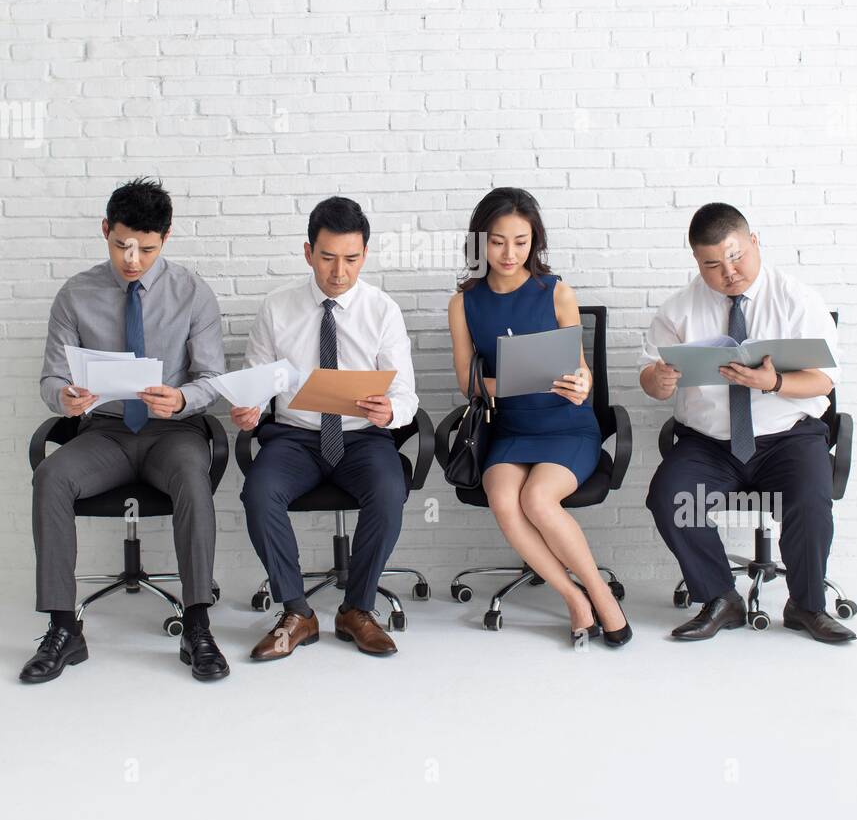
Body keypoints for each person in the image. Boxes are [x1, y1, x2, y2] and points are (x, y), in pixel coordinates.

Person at [21, 177, 230, 684]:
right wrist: (64, 397)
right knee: (51, 476)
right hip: (105, 434)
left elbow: (214, 381)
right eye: (121, 245)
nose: (132, 259)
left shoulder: (192, 293)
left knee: (192, 479)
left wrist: (183, 398)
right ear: (105, 231)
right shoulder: (76, 295)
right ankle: (63, 628)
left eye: (147, 248)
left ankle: (197, 625)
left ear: (166, 238)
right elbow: (51, 378)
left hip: (173, 432)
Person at [641, 202, 854, 645]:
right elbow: (650, 379)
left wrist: (773, 381)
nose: (728, 273)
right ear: (697, 262)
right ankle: (721, 597)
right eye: (712, 265)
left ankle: (806, 606)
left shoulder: (797, 300)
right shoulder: (680, 308)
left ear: (755, 242)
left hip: (788, 438)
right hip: (709, 443)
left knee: (810, 499)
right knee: (670, 496)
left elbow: (823, 380)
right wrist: (659, 380)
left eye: (736, 257)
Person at [235, 196, 418, 661]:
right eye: (328, 257)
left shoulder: (382, 311)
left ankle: (357, 609)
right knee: (259, 492)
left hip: (362, 436)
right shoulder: (277, 308)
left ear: (365, 255)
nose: (339, 272)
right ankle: (298, 612)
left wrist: (389, 412)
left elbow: (407, 397)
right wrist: (250, 409)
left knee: (388, 490)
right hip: (295, 437)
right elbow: (257, 383)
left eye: (352, 259)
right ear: (307, 252)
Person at [447, 186, 632, 647]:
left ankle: (602, 597)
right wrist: (518, 381)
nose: (509, 253)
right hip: (509, 429)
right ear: (478, 243)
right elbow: (468, 384)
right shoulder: (463, 303)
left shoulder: (557, 292)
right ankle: (574, 598)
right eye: (497, 241)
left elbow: (580, 367)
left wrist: (583, 383)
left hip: (564, 426)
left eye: (521, 242)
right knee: (505, 500)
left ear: (535, 243)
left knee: (538, 500)